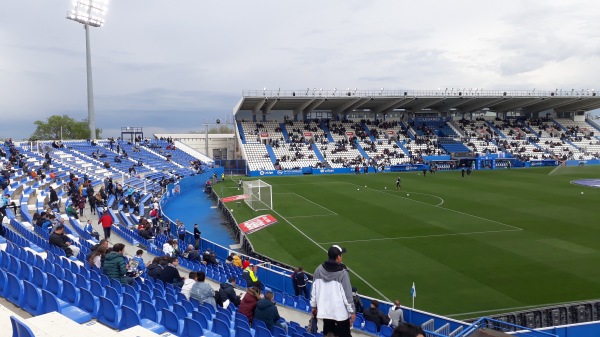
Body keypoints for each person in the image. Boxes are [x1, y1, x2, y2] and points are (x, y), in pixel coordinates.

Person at [310, 245, 355, 337]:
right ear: (338, 257)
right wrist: (352, 312)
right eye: (341, 255)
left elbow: (313, 292)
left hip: (325, 313)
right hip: (340, 316)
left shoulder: (318, 270)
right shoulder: (343, 274)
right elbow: (347, 296)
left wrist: (314, 307)